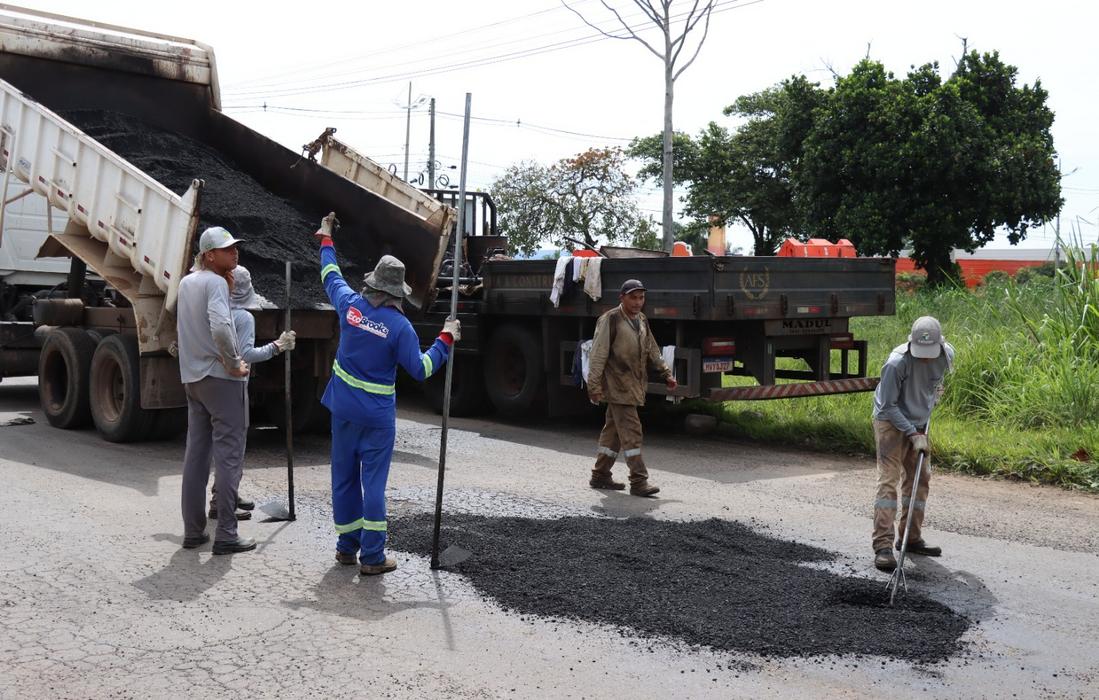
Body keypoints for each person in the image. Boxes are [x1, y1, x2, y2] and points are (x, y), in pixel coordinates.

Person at [314, 213, 459, 576]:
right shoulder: (400, 328)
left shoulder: (350, 306)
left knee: (344, 479)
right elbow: (422, 369)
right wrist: (446, 339)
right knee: (373, 485)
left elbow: (330, 275)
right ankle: (373, 557)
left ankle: (346, 548)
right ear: (397, 293)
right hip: (377, 420)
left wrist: (326, 238)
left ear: (373, 283)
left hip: (343, 410)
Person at [177, 226, 255, 555]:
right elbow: (221, 327)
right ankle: (226, 534)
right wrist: (235, 363)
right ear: (209, 255)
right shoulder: (215, 283)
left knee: (196, 456)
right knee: (229, 457)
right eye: (227, 249)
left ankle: (193, 531)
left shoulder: (186, 282)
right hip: (221, 380)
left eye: (235, 247)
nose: (235, 253)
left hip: (193, 379)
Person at [207, 265, 296, 521]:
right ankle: (222, 503)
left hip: (211, 382)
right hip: (233, 385)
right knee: (234, 446)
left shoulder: (214, 310)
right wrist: (277, 346)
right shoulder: (244, 318)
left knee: (225, 444)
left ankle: (228, 493)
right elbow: (246, 354)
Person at [871, 315, 954, 572]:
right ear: (912, 343)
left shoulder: (947, 355)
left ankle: (911, 538)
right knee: (888, 481)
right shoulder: (896, 363)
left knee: (920, 479)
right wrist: (912, 433)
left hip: (919, 422)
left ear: (939, 344)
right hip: (890, 422)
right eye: (922, 353)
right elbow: (888, 406)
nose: (926, 359)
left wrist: (935, 394)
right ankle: (883, 546)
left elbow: (936, 383)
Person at [587, 278, 677, 497]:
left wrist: (666, 373)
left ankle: (600, 475)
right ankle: (638, 481)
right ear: (622, 298)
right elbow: (598, 355)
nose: (638, 302)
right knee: (632, 432)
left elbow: (652, 348)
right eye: (633, 298)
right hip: (617, 385)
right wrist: (594, 386)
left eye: (641, 298)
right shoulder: (610, 320)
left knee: (613, 434)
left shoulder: (642, 320)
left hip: (634, 384)